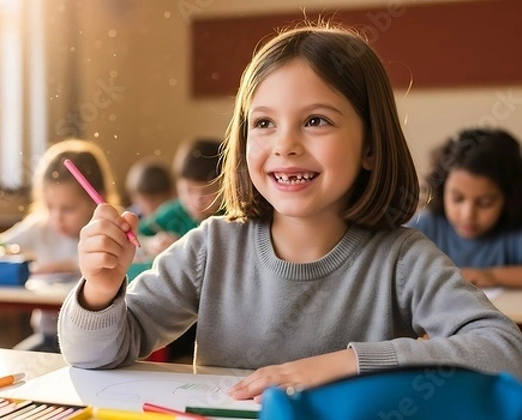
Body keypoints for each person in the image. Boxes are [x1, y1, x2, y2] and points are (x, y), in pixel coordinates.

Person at [58, 24, 522, 401]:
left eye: (316, 120)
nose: (285, 145)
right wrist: (100, 289)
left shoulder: (402, 259)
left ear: (371, 147)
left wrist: (345, 363)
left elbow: (504, 351)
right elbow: (96, 355)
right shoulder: (211, 247)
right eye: (263, 123)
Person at [0, 139, 120, 352]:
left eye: (68, 209)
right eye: (50, 207)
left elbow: (140, 258)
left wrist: (73, 264)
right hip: (50, 338)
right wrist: (10, 256)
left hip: (101, 344)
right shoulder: (40, 227)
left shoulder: (110, 229)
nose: (57, 218)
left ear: (97, 198)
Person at [407, 128, 522, 287]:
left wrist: (493, 276)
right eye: (457, 199)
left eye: (485, 203)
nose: (468, 215)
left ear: (510, 198)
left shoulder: (513, 233)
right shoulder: (424, 226)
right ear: (441, 190)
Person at [137, 138, 223, 260]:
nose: (197, 200)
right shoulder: (174, 212)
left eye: (207, 191)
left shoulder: (230, 217)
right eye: (188, 190)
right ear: (177, 185)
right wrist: (152, 242)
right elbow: (136, 237)